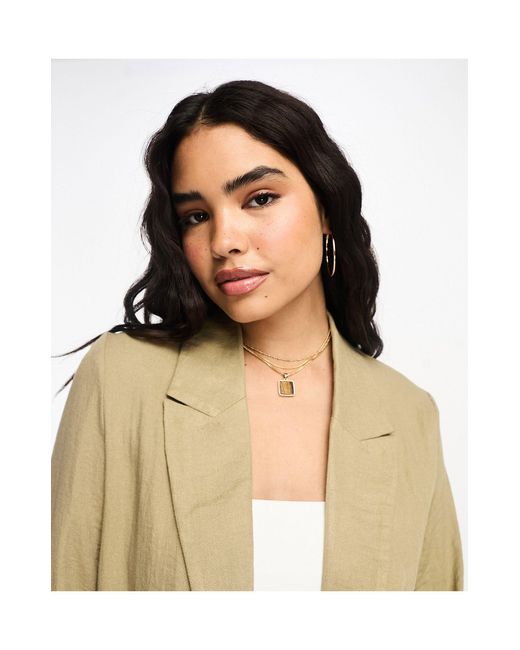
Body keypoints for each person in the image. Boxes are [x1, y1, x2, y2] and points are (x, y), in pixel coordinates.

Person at [51, 79, 464, 591]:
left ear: (327, 207)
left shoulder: (407, 414)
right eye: (196, 216)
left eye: (260, 198)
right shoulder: (121, 379)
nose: (223, 241)